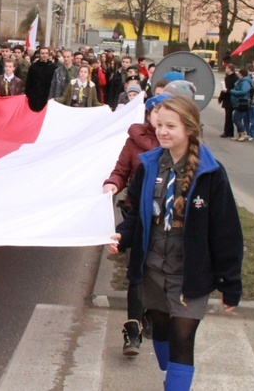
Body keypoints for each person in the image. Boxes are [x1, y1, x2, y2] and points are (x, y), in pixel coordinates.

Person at [109, 96, 243, 391]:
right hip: (153, 268)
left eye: (171, 126)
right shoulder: (148, 166)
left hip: (189, 273)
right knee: (160, 329)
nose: (163, 132)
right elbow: (137, 214)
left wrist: (230, 285)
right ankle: (170, 381)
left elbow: (227, 232)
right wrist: (122, 235)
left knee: (182, 338)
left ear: (190, 128)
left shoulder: (210, 172)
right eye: (160, 125)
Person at [103, 93, 171, 356]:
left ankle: (153, 316)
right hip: (137, 219)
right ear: (149, 114)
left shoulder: (175, 145)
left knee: (162, 275)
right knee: (137, 274)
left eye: (168, 117)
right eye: (157, 114)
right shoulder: (133, 143)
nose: (162, 122)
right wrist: (113, 183)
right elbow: (120, 170)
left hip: (165, 223)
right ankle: (132, 332)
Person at [24, 46, 56, 112]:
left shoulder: (53, 68)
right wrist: (29, 96)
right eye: (42, 53)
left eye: (46, 53)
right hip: (35, 99)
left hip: (47, 98)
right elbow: (28, 83)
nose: (44, 55)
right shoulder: (33, 67)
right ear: (39, 54)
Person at [229, 67, 253, 142]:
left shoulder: (245, 82)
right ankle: (239, 134)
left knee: (236, 118)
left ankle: (244, 133)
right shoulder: (242, 81)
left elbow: (243, 91)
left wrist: (232, 91)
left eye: (239, 73)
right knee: (236, 118)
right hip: (239, 102)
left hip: (243, 102)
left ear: (241, 74)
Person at [218, 63, 238, 138]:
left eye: (226, 68)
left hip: (231, 99)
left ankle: (228, 132)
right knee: (228, 116)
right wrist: (220, 98)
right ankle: (229, 131)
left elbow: (229, 89)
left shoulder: (234, 78)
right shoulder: (227, 77)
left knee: (229, 116)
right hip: (226, 98)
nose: (225, 69)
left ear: (230, 69)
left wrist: (227, 91)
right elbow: (223, 89)